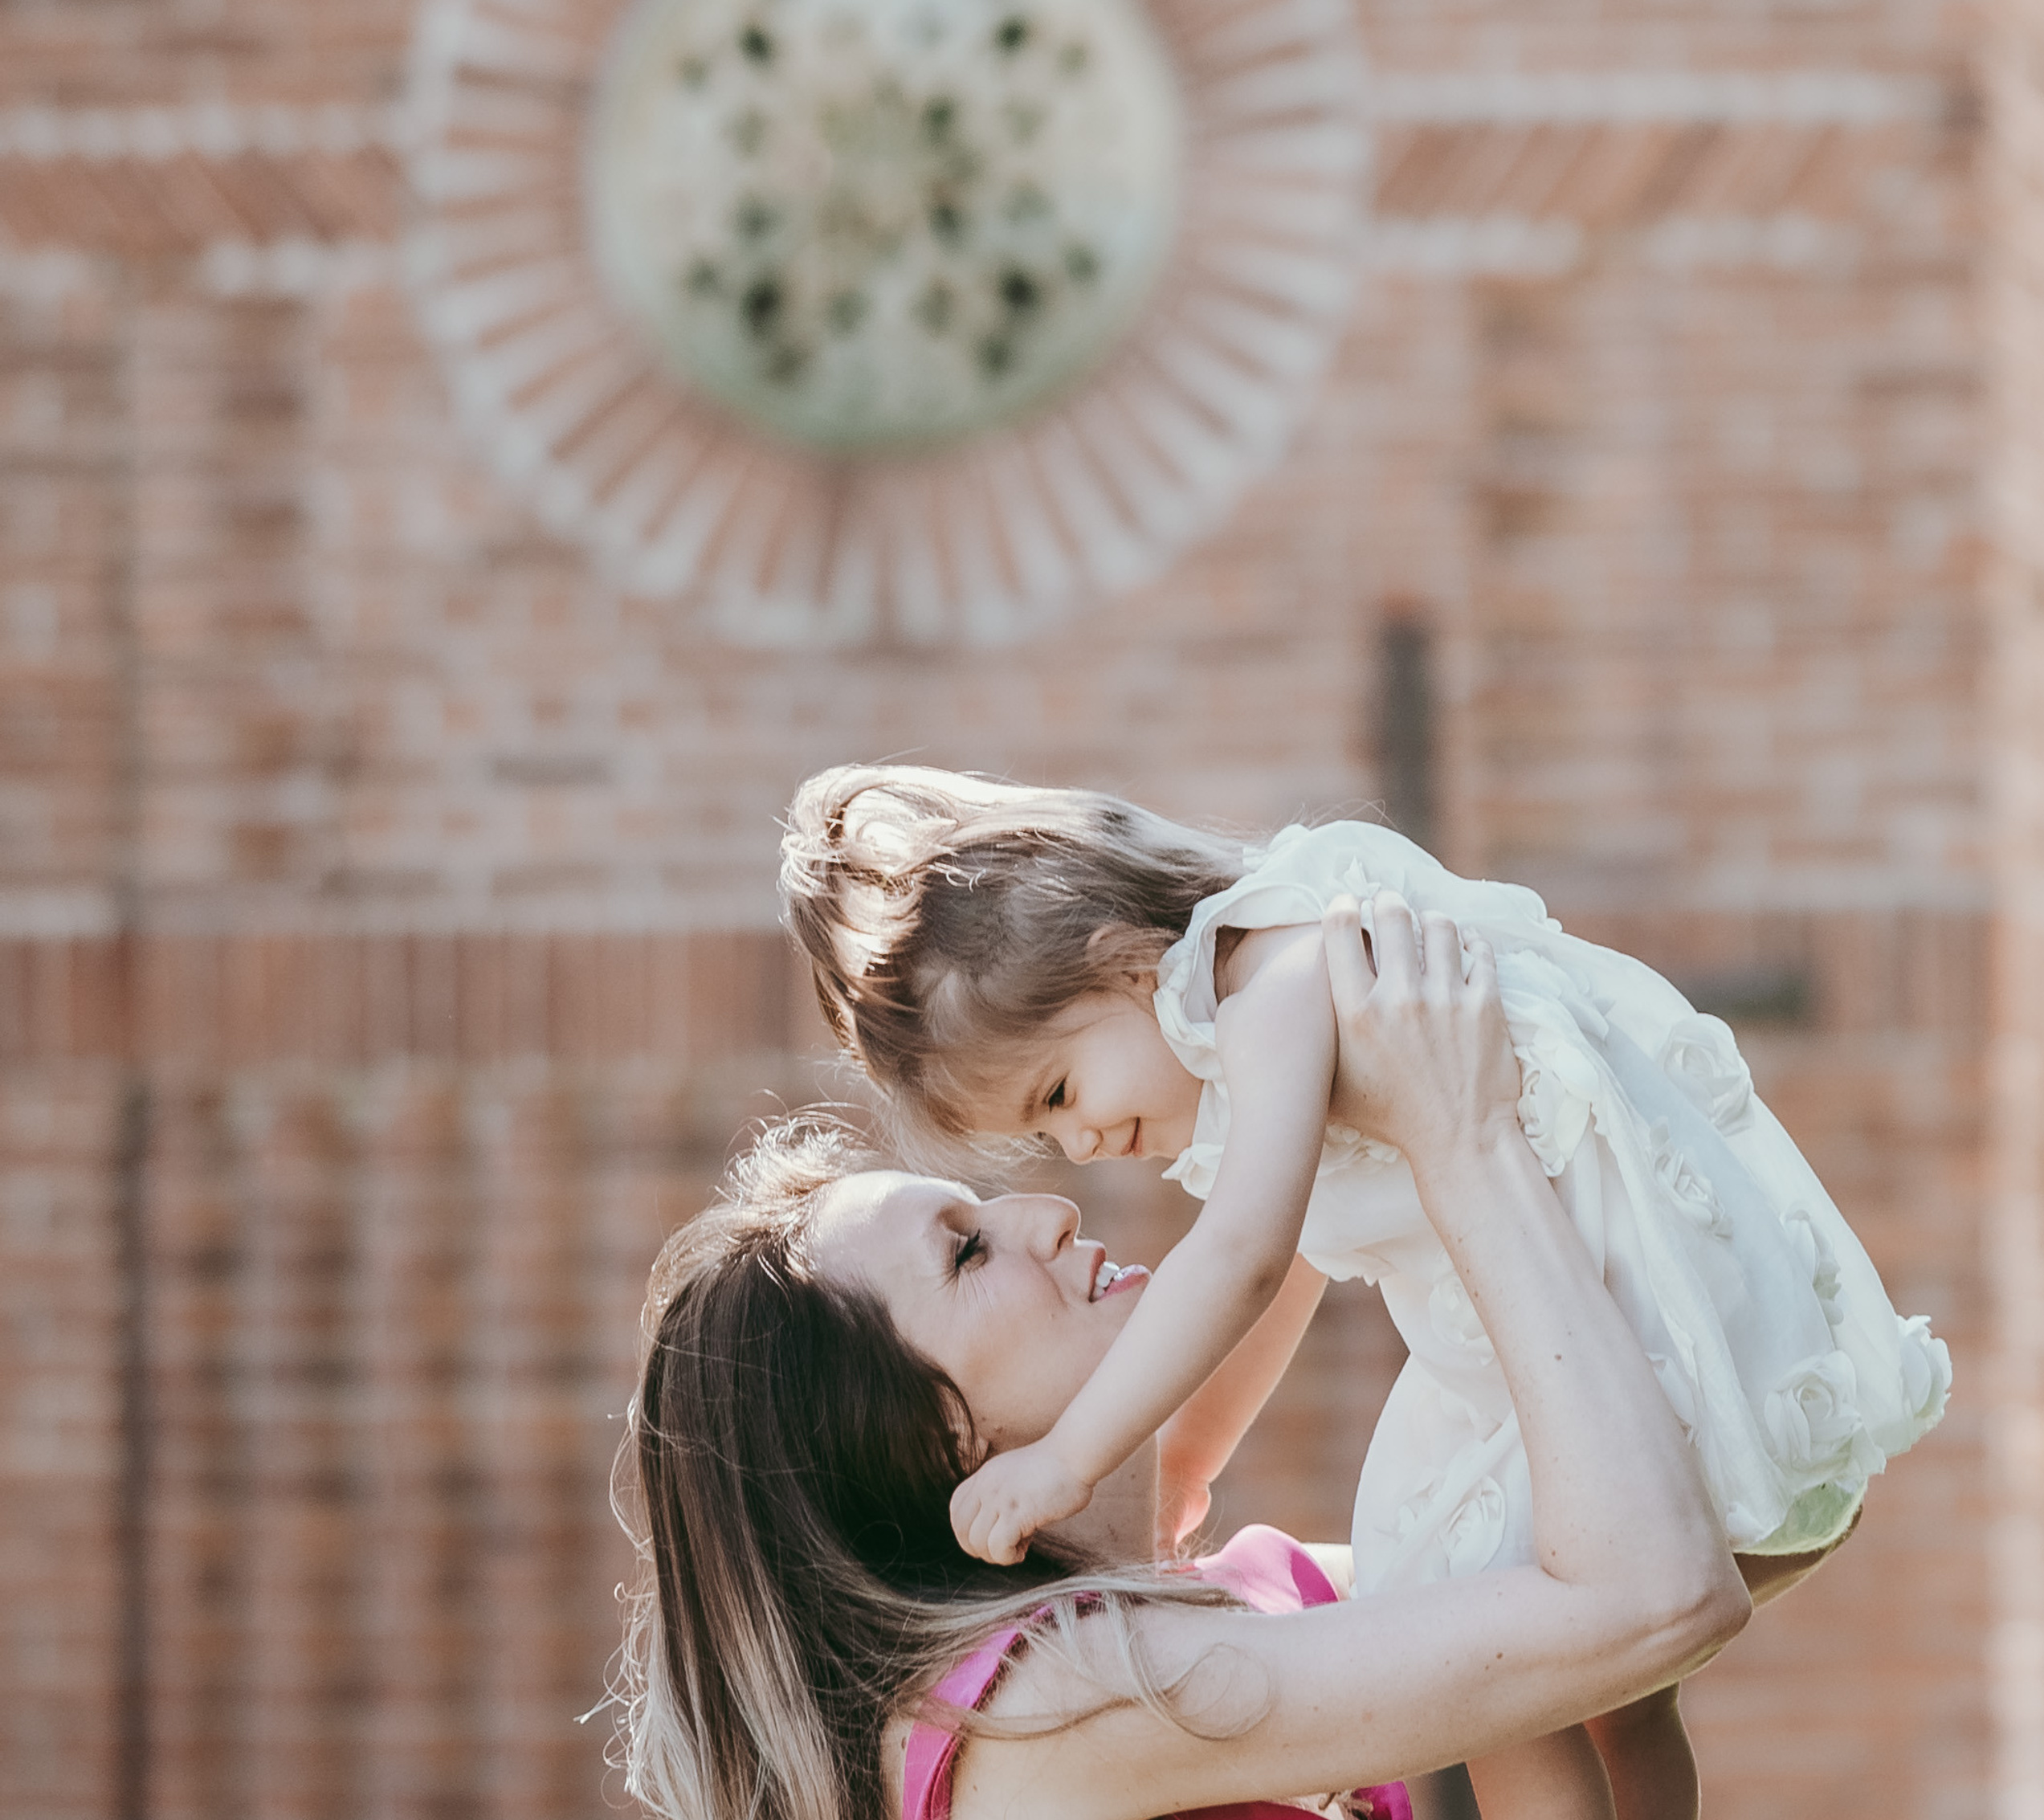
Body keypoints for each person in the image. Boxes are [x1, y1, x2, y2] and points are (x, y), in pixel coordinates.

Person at [778, 768, 1952, 1820]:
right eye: (1047, 1134)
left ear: (1123, 962)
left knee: (1484, 1609)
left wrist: (1070, 1460)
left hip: (1599, 1286)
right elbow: (1296, 1253)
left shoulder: (1279, 985)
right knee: (1612, 1691)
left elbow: (1243, 1254)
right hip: (1592, 1293)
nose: (1080, 1148)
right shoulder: (1260, 998)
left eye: (1058, 1093)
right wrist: (1190, 1461)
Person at [614, 906, 1755, 1820]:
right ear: (933, 1435)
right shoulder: (1045, 1707)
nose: (1050, 1210)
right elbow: (1654, 1597)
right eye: (966, 1252)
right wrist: (1463, 1138)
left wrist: (1304, 1076)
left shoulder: (1195, 1615)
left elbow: (1612, 1595)